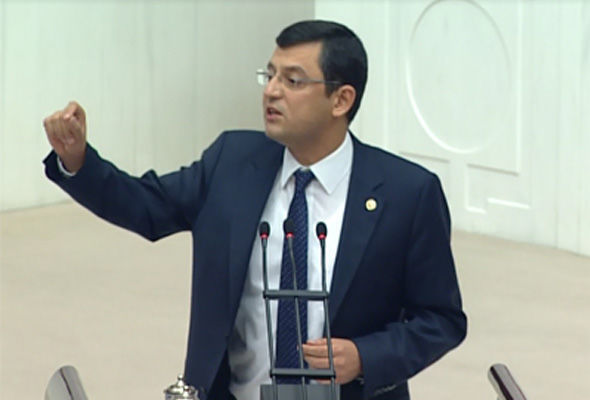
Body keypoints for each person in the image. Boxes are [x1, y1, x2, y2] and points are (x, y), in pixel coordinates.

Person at [43, 20, 466, 400]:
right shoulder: (231, 162)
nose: (271, 91)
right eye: (270, 74)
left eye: (293, 80)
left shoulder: (407, 193)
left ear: (341, 100)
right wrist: (77, 160)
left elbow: (441, 319)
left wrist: (365, 357)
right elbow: (146, 206)